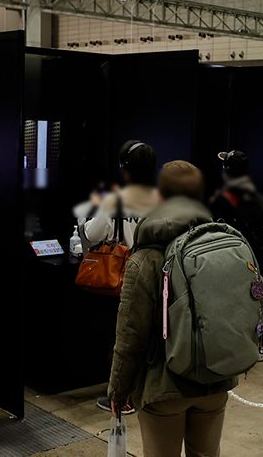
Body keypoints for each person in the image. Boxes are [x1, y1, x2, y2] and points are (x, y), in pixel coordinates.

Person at [107, 161, 234, 457]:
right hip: (215, 380)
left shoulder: (147, 257)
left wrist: (118, 389)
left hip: (163, 386)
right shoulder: (219, 245)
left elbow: (130, 334)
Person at [90, 141, 162, 415]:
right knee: (149, 334)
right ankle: (144, 391)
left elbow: (93, 233)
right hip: (157, 276)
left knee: (123, 338)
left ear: (125, 168)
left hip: (123, 276)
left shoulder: (115, 200)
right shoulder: (162, 200)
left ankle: (121, 398)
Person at [84, 140, 161, 250]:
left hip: (122, 260)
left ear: (125, 168)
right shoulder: (164, 201)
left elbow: (92, 234)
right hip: (153, 260)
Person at [209, 149, 263, 250]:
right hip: (249, 250)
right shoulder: (257, 195)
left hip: (232, 249)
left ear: (227, 171)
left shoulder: (224, 199)